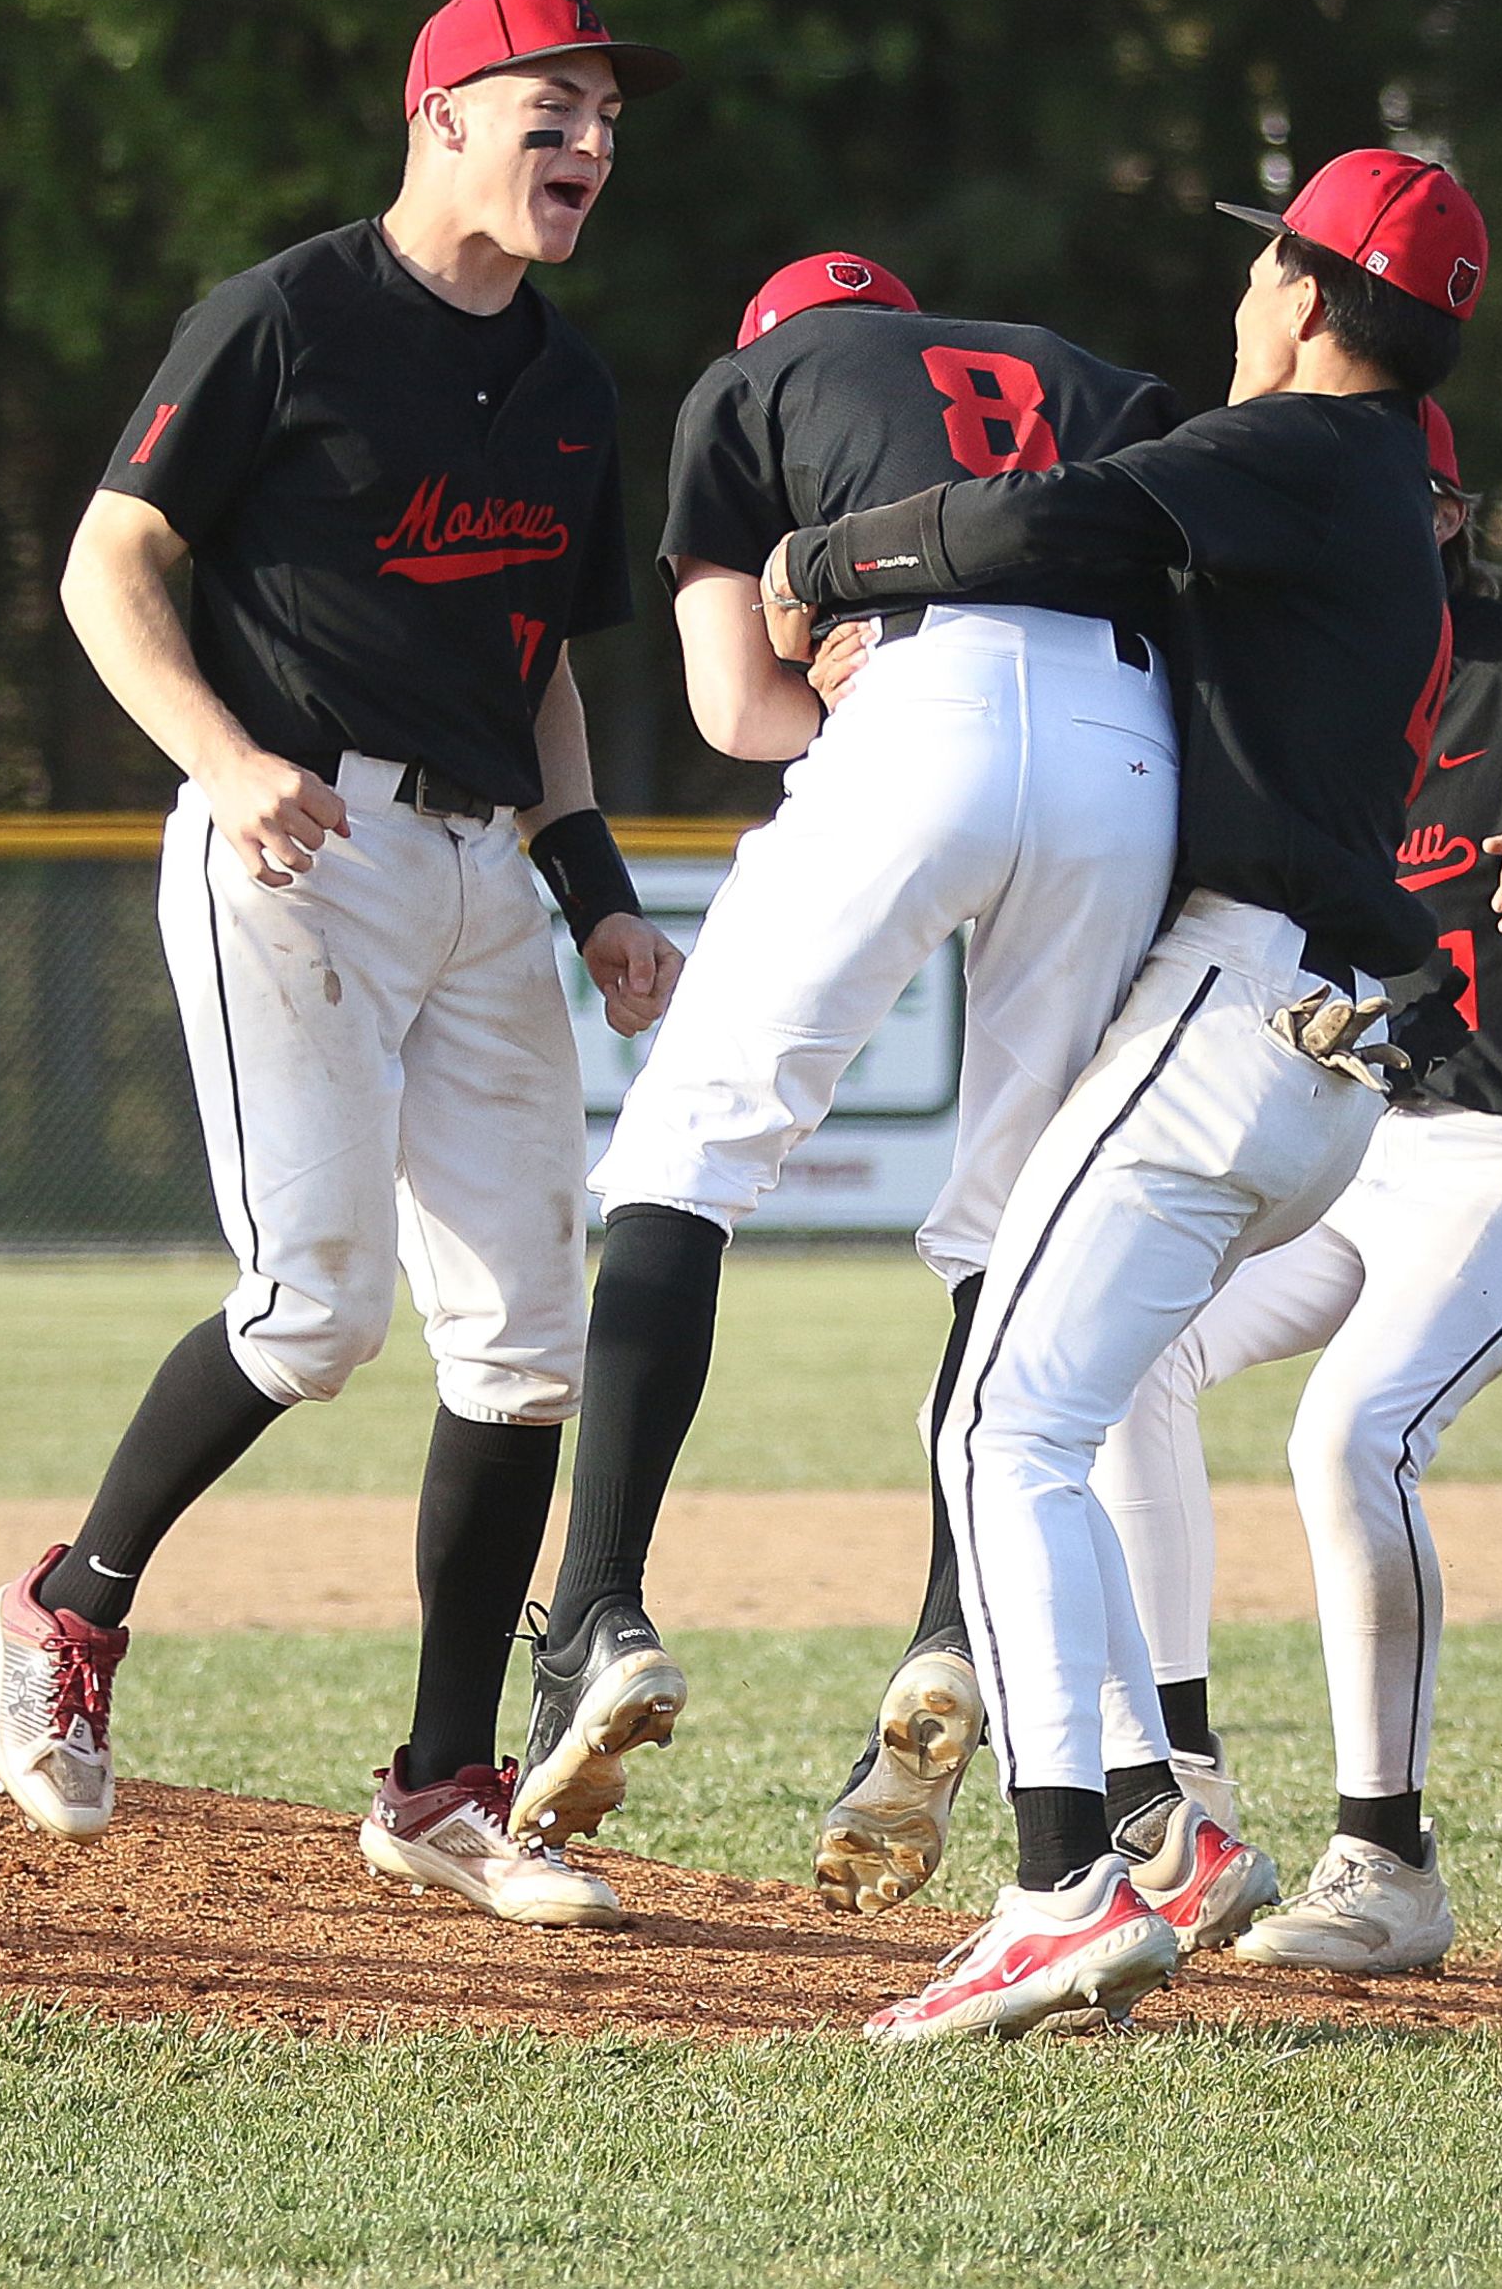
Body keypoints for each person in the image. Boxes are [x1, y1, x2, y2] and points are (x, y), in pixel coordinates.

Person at [0, 0, 684, 1929]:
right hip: (298, 841)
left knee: (527, 1348)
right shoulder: (287, 315)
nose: (591, 147)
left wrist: (598, 887)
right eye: (555, 107)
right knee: (317, 1306)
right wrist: (227, 757)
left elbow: (542, 669)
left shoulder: (568, 383)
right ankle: (66, 1604)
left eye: (607, 120)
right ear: (443, 112)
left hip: (480, 875)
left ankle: (444, 1783)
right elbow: (107, 562)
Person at [761, 149, 1486, 2040]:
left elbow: (1034, 523)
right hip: (1313, 1054)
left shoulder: (1310, 447)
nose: (1245, 299)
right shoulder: (1381, 485)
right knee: (1059, 1411)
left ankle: (1065, 1879)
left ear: (1314, 300)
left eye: (1267, 269)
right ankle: (1159, 1830)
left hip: (1234, 1011)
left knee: (997, 1414)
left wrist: (818, 565)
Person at [504, 249, 1188, 1861]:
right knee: (1008, 1230)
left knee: (688, 1151)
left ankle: (595, 1612)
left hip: (919, 704)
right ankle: (958, 1627)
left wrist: (851, 670)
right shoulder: (1082, 368)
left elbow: (739, 707)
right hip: (1136, 749)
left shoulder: (754, 382)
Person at [1017, 400, 1502, 1973]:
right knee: (1126, 1365)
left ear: (1443, 518)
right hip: (1352, 1143)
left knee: (1351, 1434)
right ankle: (1175, 1792)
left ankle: (1386, 1861)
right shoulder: (1285, 688)